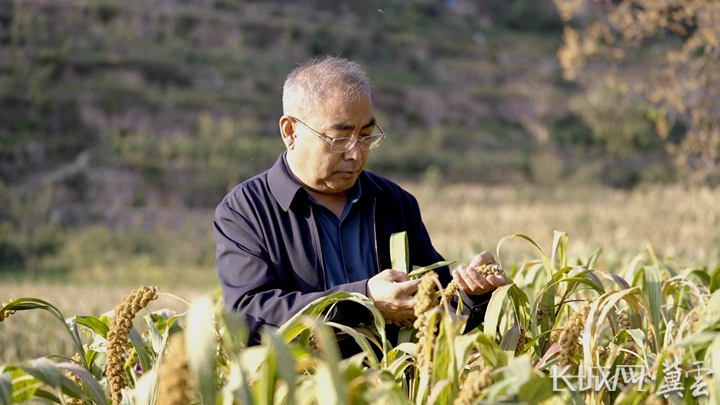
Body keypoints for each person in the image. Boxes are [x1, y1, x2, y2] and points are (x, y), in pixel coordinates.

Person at [213, 57, 506, 351]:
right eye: (339, 139)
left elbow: (437, 306)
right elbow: (248, 318)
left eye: (365, 136)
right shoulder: (244, 212)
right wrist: (363, 300)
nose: (355, 154)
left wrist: (473, 294)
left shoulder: (394, 202)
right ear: (290, 131)